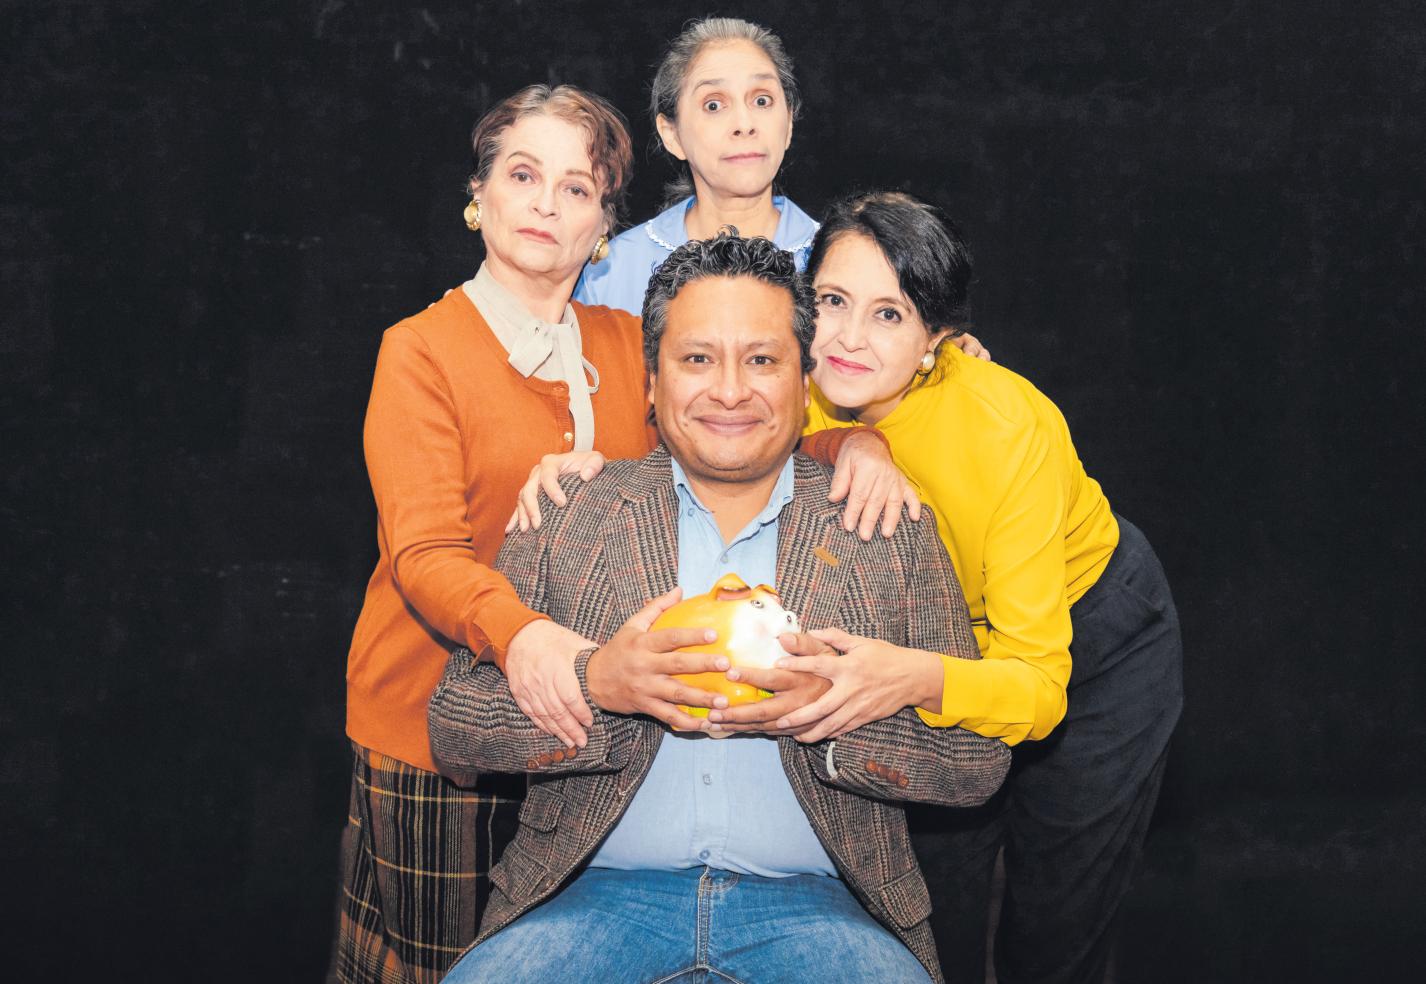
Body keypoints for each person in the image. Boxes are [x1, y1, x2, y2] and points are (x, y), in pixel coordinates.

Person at [329, 85, 901, 984]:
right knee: (437, 966)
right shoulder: (421, 349)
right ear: (479, 194)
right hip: (436, 713)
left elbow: (727, 426)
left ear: (604, 226)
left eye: (577, 188)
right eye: (523, 176)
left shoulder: (622, 339)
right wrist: (527, 639)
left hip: (598, 728)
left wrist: (857, 444)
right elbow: (424, 554)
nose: (546, 205)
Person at [427, 233, 1011, 983]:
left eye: (762, 360)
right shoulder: (568, 512)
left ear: (805, 380)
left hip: (824, 910)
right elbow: (454, 729)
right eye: (698, 359)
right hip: (589, 899)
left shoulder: (887, 527)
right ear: (651, 382)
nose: (730, 391)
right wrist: (596, 686)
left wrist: (834, 712)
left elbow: (977, 761)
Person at [774, 191, 1185, 984]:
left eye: (889, 315)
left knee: (1055, 926)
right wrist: (850, 441)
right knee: (931, 917)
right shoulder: (789, 378)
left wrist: (908, 677)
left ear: (936, 337)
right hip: (929, 644)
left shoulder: (1008, 424)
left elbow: (1037, 687)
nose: (849, 337)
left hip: (1092, 644)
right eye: (832, 301)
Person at [572, 16, 989, 364]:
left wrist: (936, 354)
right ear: (671, 133)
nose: (744, 124)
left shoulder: (840, 264)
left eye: (762, 101)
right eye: (714, 104)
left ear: (788, 123)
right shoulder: (610, 272)